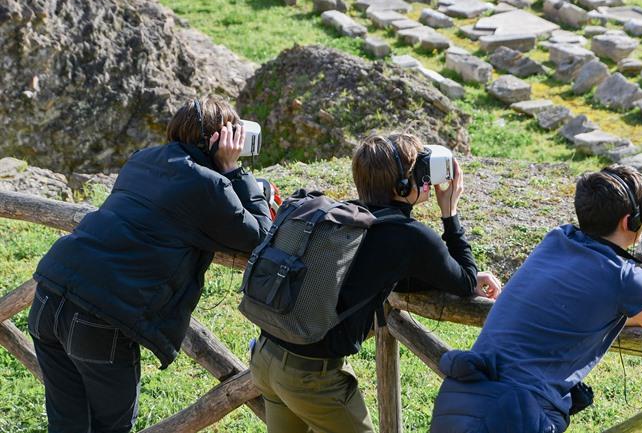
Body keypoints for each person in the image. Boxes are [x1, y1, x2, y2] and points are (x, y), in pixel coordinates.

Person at [28, 97, 274, 433]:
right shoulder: (209, 184)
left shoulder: (142, 159)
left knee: (67, 424)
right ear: (219, 139)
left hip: (48, 296)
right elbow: (261, 236)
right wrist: (234, 170)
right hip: (98, 317)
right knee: (111, 427)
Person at [249, 133, 502, 433]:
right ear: (404, 185)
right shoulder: (410, 235)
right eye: (420, 169)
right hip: (310, 377)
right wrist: (450, 212)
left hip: (266, 356)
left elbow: (396, 277)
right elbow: (465, 281)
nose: (426, 177)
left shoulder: (351, 216)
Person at [430, 164, 642, 433]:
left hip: (459, 401)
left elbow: (578, 310)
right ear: (629, 221)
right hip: (513, 416)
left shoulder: (556, 240)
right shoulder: (622, 276)